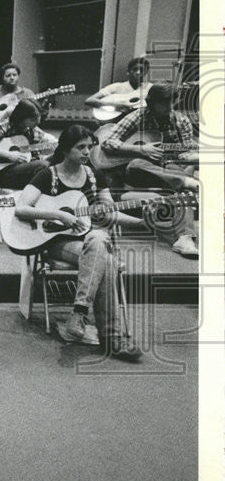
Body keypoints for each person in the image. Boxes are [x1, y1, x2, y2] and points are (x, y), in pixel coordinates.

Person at [14, 125, 144, 361]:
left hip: (90, 243)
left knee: (99, 238)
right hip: (56, 244)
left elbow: (108, 213)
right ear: (65, 149)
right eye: (80, 147)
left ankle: (80, 312)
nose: (87, 152)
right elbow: (22, 208)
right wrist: (59, 215)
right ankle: (113, 339)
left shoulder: (95, 176)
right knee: (107, 259)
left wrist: (143, 221)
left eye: (89, 146)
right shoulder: (47, 175)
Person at [98, 81, 199, 258]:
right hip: (138, 172)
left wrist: (193, 156)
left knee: (183, 187)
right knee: (137, 164)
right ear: (152, 102)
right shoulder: (138, 116)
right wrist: (140, 149)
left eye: (171, 101)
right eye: (163, 102)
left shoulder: (181, 121)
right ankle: (183, 181)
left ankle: (184, 239)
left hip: (167, 169)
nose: (169, 106)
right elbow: (108, 142)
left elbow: (190, 149)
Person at [0, 99, 57, 189]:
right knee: (43, 165)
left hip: (22, 171)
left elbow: (41, 147)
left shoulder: (32, 130)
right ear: (22, 117)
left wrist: (56, 147)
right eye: (33, 119)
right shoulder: (5, 125)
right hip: (0, 173)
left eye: (39, 118)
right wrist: (10, 155)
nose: (38, 122)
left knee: (56, 160)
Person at [84, 57, 151, 114]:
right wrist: (116, 105)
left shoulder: (149, 88)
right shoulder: (116, 87)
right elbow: (89, 100)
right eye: (135, 69)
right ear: (128, 72)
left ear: (146, 73)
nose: (138, 73)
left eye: (142, 70)